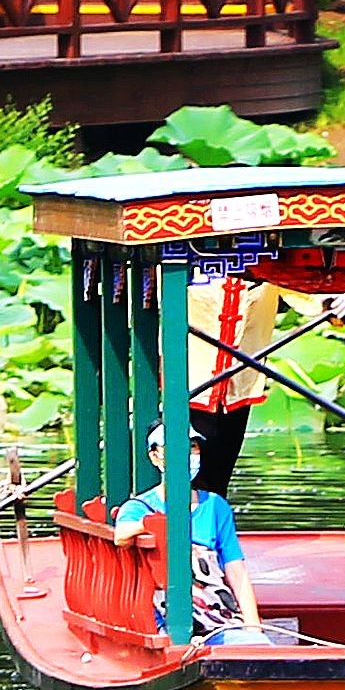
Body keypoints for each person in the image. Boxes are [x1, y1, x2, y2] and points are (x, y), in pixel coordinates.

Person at [112, 468, 264, 637]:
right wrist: (151, 525)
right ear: (154, 457)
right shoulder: (138, 507)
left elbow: (236, 569)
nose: (189, 455)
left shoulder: (215, 505)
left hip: (214, 609)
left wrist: (253, 626)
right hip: (166, 614)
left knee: (250, 641)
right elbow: (121, 535)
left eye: (194, 447)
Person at [186, 272, 278, 493]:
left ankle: (212, 521)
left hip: (239, 383)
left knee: (217, 477)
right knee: (184, 469)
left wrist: (330, 300)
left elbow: (301, 288)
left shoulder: (266, 260)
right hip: (188, 381)